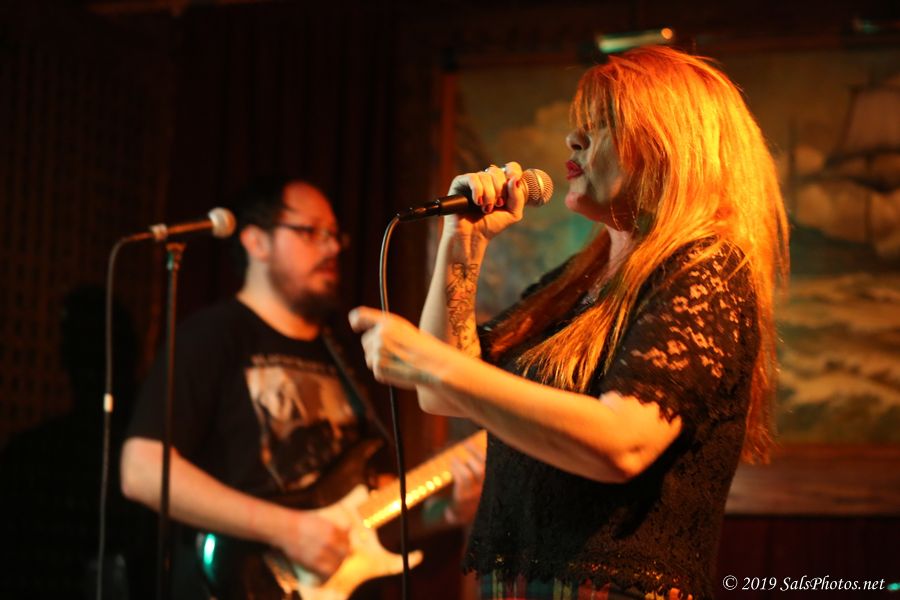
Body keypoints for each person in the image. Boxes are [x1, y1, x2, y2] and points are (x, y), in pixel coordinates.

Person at [349, 46, 789, 600]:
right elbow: (442, 395)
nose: (573, 140)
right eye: (579, 125)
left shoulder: (707, 269)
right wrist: (463, 243)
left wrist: (431, 362)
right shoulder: (579, 280)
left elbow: (623, 443)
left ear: (669, 146)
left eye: (602, 124)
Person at [120, 178, 484, 599]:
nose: (331, 248)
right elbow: (141, 469)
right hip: (239, 582)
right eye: (310, 232)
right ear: (256, 242)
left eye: (334, 235)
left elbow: (366, 509)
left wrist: (445, 513)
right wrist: (287, 529)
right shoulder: (211, 337)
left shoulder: (346, 352)